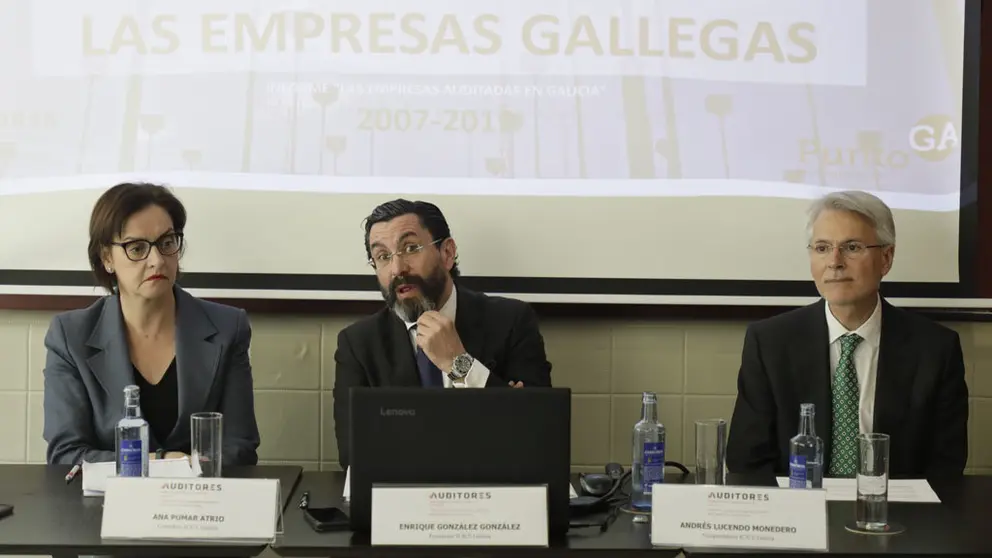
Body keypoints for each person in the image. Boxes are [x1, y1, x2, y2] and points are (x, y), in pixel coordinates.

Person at [726, 190, 969, 480]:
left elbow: (946, 468)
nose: (835, 262)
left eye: (852, 247)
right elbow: (746, 462)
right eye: (822, 248)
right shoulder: (769, 343)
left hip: (898, 518)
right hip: (797, 515)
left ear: (886, 258)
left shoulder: (936, 349)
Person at [42, 182, 261, 467]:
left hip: (200, 500)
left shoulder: (228, 327)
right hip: (105, 506)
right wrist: (161, 462)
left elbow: (240, 448)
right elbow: (65, 455)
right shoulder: (70, 336)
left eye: (167, 243)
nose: (157, 260)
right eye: (137, 248)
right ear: (107, 258)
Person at [332, 199, 553, 468]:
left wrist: (459, 364)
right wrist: (497, 403)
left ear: (447, 253)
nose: (397, 269)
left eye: (410, 248)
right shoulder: (358, 344)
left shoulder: (512, 321)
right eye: (382, 256)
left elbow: (537, 437)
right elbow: (353, 455)